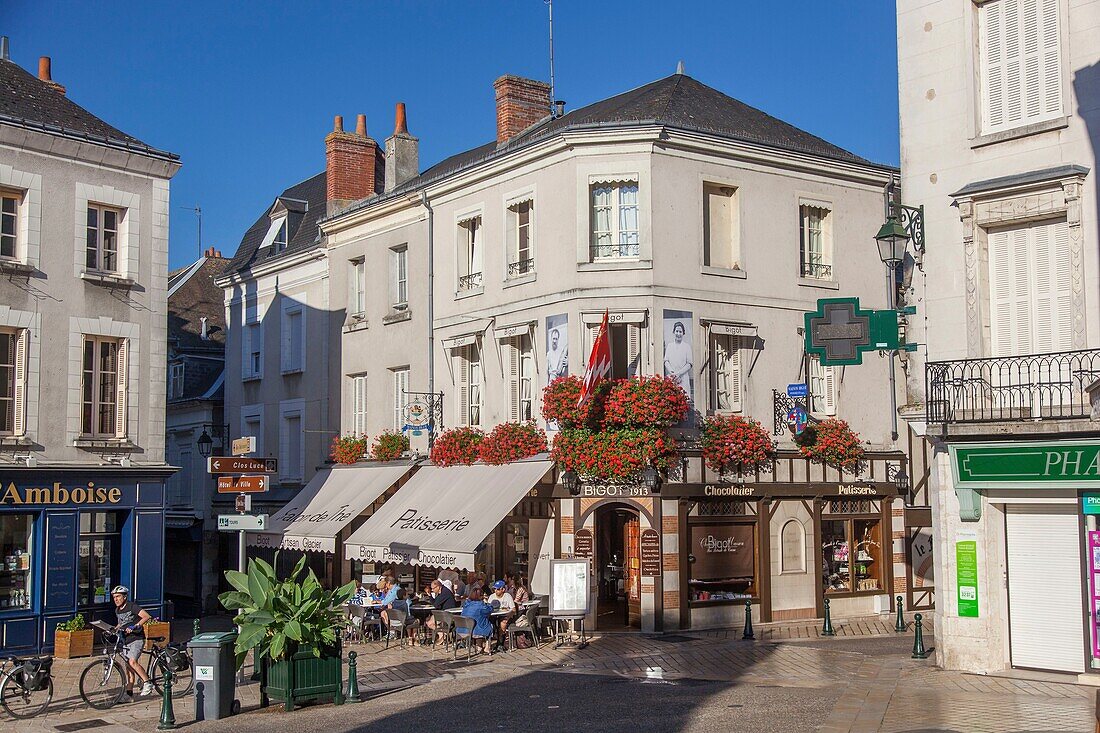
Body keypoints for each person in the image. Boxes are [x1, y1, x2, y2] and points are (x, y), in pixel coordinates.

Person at [111, 586, 154, 700]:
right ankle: (129, 693)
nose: (116, 599)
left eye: (118, 597)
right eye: (114, 597)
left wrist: (135, 626)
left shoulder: (132, 606)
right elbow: (121, 623)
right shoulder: (117, 610)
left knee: (132, 662)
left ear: (124, 597)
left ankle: (147, 682)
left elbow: (146, 616)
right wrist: (112, 629)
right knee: (128, 667)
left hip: (136, 638)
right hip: (126, 640)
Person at [457, 588, 493, 655]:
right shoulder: (481, 606)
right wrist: (487, 602)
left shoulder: (466, 604)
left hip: (461, 630)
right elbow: (490, 610)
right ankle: (487, 648)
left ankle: (479, 646)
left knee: (479, 622)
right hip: (474, 632)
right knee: (489, 625)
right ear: (481, 596)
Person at [663, 320, 693, 390]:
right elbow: (666, 361)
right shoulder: (670, 346)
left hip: (683, 378)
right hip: (671, 377)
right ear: (674, 332)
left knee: (683, 397)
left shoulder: (687, 346)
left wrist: (679, 374)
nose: (678, 334)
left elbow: (689, 364)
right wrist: (673, 373)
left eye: (680, 332)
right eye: (677, 331)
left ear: (683, 333)